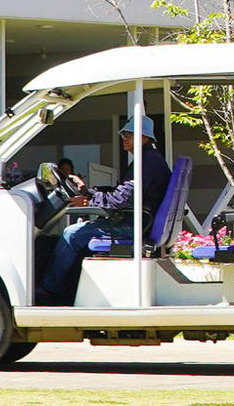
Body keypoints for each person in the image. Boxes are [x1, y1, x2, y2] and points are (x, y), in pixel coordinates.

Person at [37, 118, 170, 305]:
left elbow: (122, 199)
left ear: (144, 137)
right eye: (123, 134)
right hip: (137, 220)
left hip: (133, 224)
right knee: (77, 232)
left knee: (71, 234)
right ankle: (67, 288)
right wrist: (88, 192)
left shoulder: (146, 164)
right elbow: (121, 193)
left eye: (128, 134)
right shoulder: (148, 160)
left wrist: (88, 200)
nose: (123, 138)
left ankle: (48, 292)